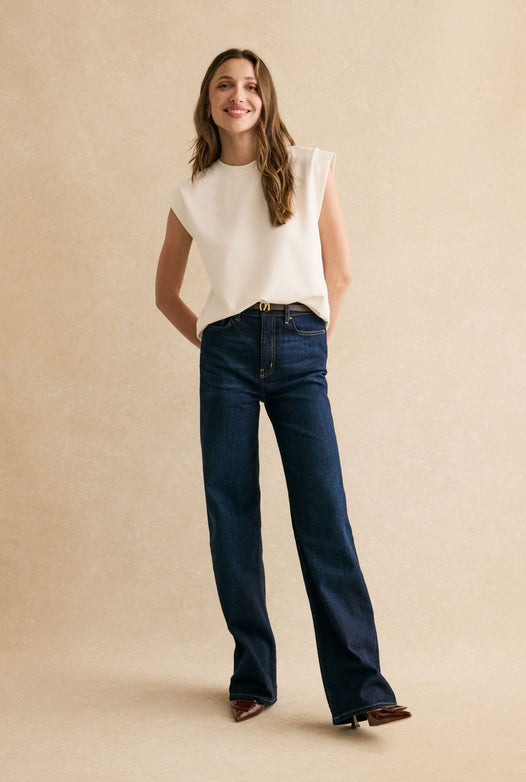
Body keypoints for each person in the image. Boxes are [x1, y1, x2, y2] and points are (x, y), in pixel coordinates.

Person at [155, 48, 410, 729]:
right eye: (224, 85)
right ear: (208, 102)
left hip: (300, 345)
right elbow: (164, 293)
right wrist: (214, 346)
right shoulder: (192, 193)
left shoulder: (307, 167)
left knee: (323, 510)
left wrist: (312, 345)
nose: (237, 96)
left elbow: (340, 272)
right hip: (228, 354)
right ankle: (252, 677)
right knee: (231, 511)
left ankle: (361, 688)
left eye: (250, 85)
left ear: (265, 98)